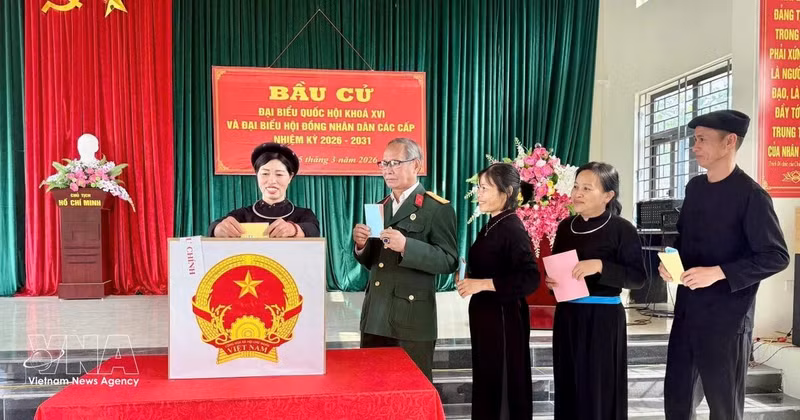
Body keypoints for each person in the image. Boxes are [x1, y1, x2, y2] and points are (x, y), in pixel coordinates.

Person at [662, 110, 790, 420]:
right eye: (695, 140)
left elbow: (776, 256)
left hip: (727, 322)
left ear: (729, 142)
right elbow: (684, 239)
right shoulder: (695, 188)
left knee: (724, 407)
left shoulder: (752, 195)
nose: (695, 146)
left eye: (702, 139)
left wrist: (718, 272)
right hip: (687, 313)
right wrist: (672, 265)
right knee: (676, 400)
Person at [352, 138, 458, 381]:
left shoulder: (436, 208)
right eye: (384, 163)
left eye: (395, 163)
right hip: (376, 316)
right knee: (373, 388)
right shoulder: (379, 207)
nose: (388, 169)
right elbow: (373, 262)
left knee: (411, 392)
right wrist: (361, 245)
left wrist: (407, 246)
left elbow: (448, 260)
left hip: (411, 318)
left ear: (416, 166)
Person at [547, 161, 646, 420]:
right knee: (569, 384)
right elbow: (558, 270)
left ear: (608, 196)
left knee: (600, 387)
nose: (577, 193)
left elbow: (638, 278)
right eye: (576, 186)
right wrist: (552, 283)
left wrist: (601, 265)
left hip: (603, 320)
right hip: (567, 317)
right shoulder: (564, 227)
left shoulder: (622, 229)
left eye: (587, 188)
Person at [456, 163, 539, 420]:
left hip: (503, 318)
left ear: (507, 192)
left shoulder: (512, 227)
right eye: (478, 188)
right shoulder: (492, 224)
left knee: (501, 379)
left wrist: (481, 284)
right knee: (487, 375)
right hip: (486, 315)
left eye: (484, 188)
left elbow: (529, 277)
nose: (478, 194)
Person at [208, 142, 320, 238]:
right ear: (257, 175)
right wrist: (218, 229)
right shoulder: (242, 215)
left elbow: (313, 230)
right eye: (265, 174)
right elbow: (213, 227)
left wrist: (294, 229)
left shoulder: (304, 214)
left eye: (279, 174)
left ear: (290, 177)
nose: (271, 181)